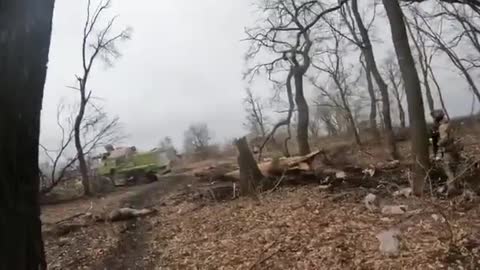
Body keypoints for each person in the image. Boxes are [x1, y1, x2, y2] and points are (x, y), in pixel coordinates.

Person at [432, 110, 462, 195]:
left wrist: (438, 143)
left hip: (448, 151)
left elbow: (444, 139)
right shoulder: (450, 124)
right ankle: (457, 186)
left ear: (438, 120)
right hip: (455, 149)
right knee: (455, 169)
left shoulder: (442, 127)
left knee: (448, 169)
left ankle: (452, 189)